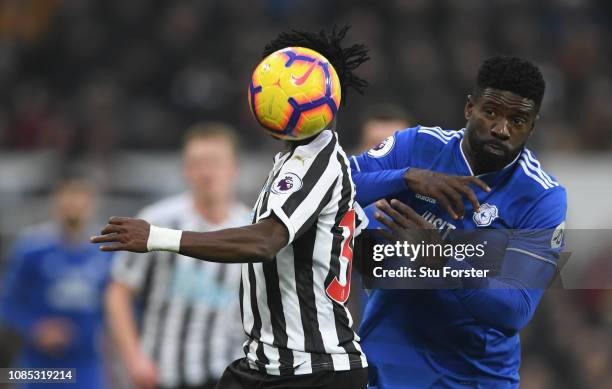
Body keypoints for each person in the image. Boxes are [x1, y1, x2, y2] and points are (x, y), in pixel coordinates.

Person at [91, 27, 370, 389]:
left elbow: (265, 242)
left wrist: (156, 237)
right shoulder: (295, 162)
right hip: (266, 364)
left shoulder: (318, 163)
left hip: (312, 369)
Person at [350, 56, 567, 388]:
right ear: (470, 108)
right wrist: (406, 178)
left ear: (532, 127)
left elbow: (517, 307)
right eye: (491, 112)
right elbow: (333, 184)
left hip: (473, 378)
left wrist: (443, 261)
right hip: (388, 369)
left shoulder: (542, 197)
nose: (501, 129)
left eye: (518, 120)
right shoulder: (417, 146)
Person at [105, 123, 250, 389]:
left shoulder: (250, 229)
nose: (207, 172)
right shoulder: (157, 221)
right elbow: (119, 292)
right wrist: (133, 358)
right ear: (185, 170)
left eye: (215, 162)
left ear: (233, 169)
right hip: (162, 373)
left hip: (226, 374)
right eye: (197, 163)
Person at [0, 178, 111, 389]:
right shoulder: (31, 248)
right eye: (68, 196)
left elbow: (116, 303)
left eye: (81, 197)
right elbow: (8, 303)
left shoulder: (105, 251)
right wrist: (36, 328)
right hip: (40, 365)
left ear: (93, 203)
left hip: (87, 363)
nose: (74, 203)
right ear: (56, 201)